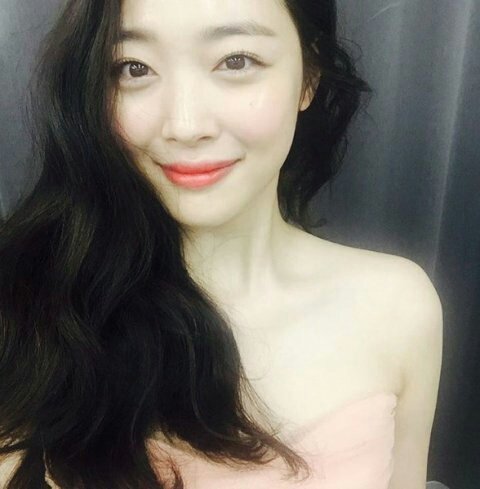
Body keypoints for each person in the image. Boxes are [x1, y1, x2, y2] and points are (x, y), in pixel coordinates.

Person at [0, 0, 443, 488]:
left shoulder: (398, 306)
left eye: (236, 61)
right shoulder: (29, 312)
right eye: (134, 68)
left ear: (309, 76)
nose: (185, 126)